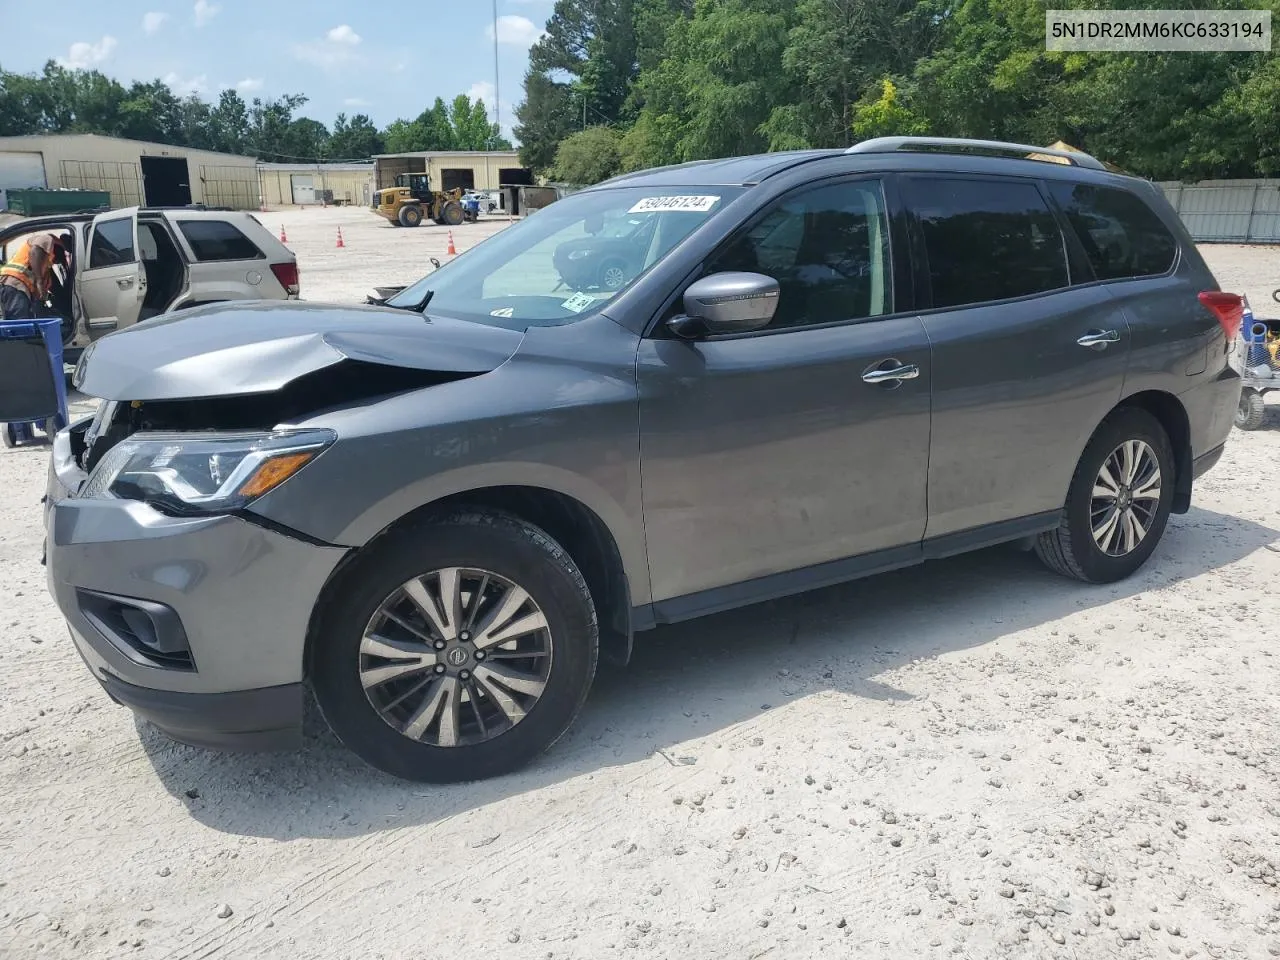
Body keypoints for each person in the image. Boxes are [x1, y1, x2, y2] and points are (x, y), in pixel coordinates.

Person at [0, 232, 67, 320]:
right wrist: (39, 281)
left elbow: (55, 287)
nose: (57, 261)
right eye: (64, 256)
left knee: (21, 321)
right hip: (15, 284)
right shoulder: (47, 239)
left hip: (16, 287)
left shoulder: (44, 263)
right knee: (20, 322)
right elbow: (35, 251)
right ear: (61, 246)